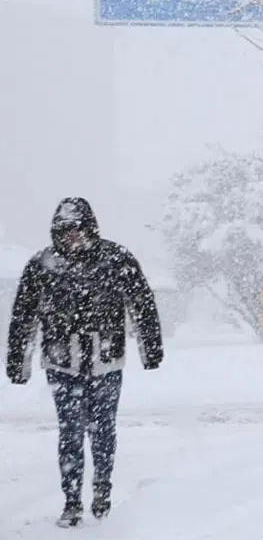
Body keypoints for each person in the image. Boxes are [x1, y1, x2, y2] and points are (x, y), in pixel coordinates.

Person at [6, 198, 165, 527]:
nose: (73, 237)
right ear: (57, 233)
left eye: (78, 229)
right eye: (66, 231)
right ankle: (72, 500)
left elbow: (142, 304)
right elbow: (24, 317)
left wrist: (151, 349)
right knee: (70, 432)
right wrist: (17, 363)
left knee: (103, 429)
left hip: (105, 361)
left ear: (90, 228)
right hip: (61, 364)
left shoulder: (115, 259)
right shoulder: (42, 266)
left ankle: (102, 488)